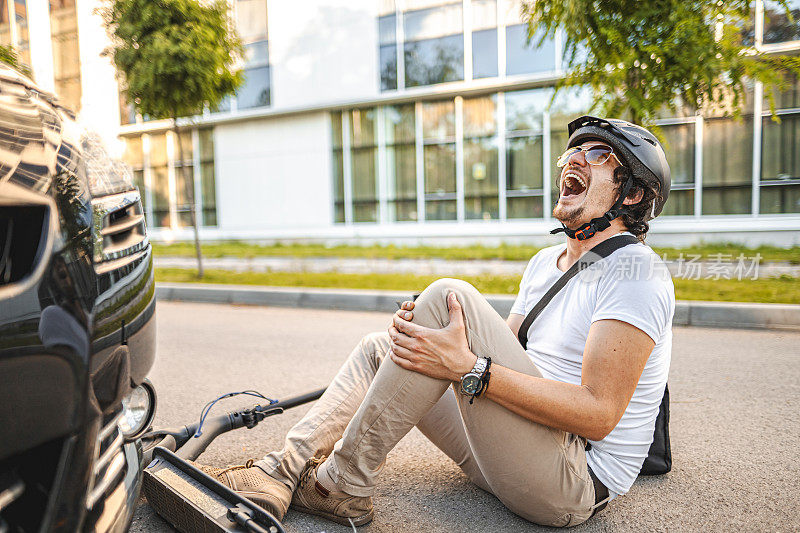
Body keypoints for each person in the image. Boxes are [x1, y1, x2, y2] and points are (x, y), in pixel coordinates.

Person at [197, 115, 675, 528]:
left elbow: (597, 415)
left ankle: (338, 484)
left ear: (632, 193)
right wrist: (435, 345)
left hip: (569, 481)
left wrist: (468, 366)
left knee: (451, 297)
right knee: (387, 347)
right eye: (571, 153)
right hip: (511, 453)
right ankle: (280, 472)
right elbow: (506, 352)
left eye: (597, 154)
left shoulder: (636, 273)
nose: (575, 160)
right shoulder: (544, 262)